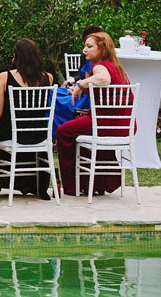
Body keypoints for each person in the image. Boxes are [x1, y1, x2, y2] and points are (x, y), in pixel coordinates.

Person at [56, 31, 132, 196]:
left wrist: (81, 84)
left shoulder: (100, 66)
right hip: (125, 126)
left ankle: (72, 186)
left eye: (89, 46)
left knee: (63, 131)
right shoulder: (117, 67)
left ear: (102, 49)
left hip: (105, 123)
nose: (85, 50)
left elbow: (104, 79)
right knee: (79, 129)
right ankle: (100, 183)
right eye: (85, 46)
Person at [0, 37, 55, 198]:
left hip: (12, 134)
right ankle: (34, 184)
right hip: (38, 135)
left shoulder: (4, 77)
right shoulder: (48, 77)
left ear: (16, 57)